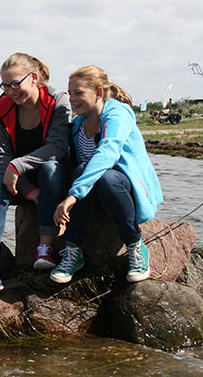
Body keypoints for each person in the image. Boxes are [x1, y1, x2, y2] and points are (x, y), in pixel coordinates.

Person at [51, 65, 163, 284]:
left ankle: (135, 244)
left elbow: (108, 153)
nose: (72, 99)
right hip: (93, 195)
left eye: (79, 93)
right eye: (70, 93)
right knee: (81, 170)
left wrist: (72, 196)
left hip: (122, 190)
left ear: (99, 93)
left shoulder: (118, 115)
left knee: (101, 174)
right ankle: (74, 251)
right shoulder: (78, 124)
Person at [0, 53, 71, 299]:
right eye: (5, 86)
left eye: (15, 84)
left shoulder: (58, 102)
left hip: (51, 177)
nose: (10, 91)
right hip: (17, 181)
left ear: (34, 78)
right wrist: (29, 190)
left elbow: (58, 147)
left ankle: (45, 248)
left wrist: (18, 165)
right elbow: (0, 155)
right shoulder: (3, 108)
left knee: (51, 167)